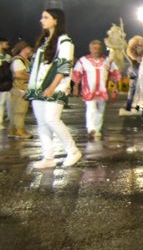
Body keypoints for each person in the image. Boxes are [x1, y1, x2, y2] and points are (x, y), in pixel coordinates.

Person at [25, 9, 81, 169]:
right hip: (37, 88)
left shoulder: (65, 42)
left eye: (45, 17)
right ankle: (48, 157)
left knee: (51, 119)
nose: (41, 20)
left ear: (56, 20)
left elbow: (64, 66)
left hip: (53, 87)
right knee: (42, 122)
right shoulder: (44, 41)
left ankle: (73, 150)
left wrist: (52, 87)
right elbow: (35, 67)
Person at [71, 39, 121, 139]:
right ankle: (91, 129)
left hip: (102, 91)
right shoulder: (83, 60)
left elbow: (115, 74)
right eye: (94, 48)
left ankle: (97, 130)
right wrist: (75, 87)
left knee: (100, 111)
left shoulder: (108, 60)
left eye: (98, 48)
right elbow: (77, 74)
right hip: (89, 91)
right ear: (90, 49)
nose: (96, 50)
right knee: (91, 109)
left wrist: (114, 89)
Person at [8, 41, 33, 138]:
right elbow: (17, 74)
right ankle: (20, 131)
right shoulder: (19, 60)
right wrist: (32, 77)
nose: (30, 50)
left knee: (15, 111)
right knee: (20, 111)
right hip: (20, 89)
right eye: (29, 48)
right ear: (23, 49)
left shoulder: (25, 60)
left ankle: (12, 131)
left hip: (21, 89)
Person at [119, 35, 143, 115]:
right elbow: (131, 71)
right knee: (132, 93)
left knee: (140, 94)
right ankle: (128, 107)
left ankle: (137, 108)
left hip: (141, 80)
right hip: (135, 79)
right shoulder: (133, 60)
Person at [0, 39, 11, 134]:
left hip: (5, 83)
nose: (8, 46)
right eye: (5, 44)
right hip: (3, 83)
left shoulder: (7, 56)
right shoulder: (5, 57)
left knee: (2, 104)